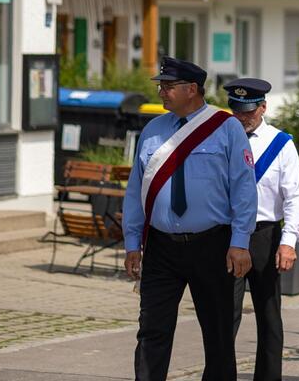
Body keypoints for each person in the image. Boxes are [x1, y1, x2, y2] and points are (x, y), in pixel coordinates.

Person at [122, 56, 257, 381]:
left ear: (192, 89)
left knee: (219, 334)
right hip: (161, 247)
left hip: (211, 244)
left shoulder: (225, 128)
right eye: (161, 86)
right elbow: (135, 191)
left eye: (168, 87)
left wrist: (240, 242)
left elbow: (243, 190)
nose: (161, 92)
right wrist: (131, 242)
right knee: (152, 330)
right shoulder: (153, 130)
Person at [224, 78, 299, 381]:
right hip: (228, 234)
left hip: (264, 235)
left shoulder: (281, 144)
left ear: (263, 107)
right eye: (236, 109)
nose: (241, 117)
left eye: (248, 111)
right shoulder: (221, 137)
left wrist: (288, 242)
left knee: (268, 315)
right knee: (224, 314)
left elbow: (294, 197)